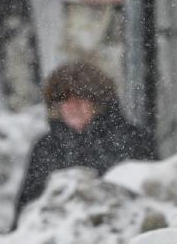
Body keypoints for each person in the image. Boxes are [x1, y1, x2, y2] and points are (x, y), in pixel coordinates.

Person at [10, 62, 158, 229]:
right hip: (58, 239)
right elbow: (27, 209)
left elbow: (150, 201)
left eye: (81, 97)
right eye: (64, 99)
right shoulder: (46, 147)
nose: (73, 106)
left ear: (99, 102)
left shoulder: (133, 139)